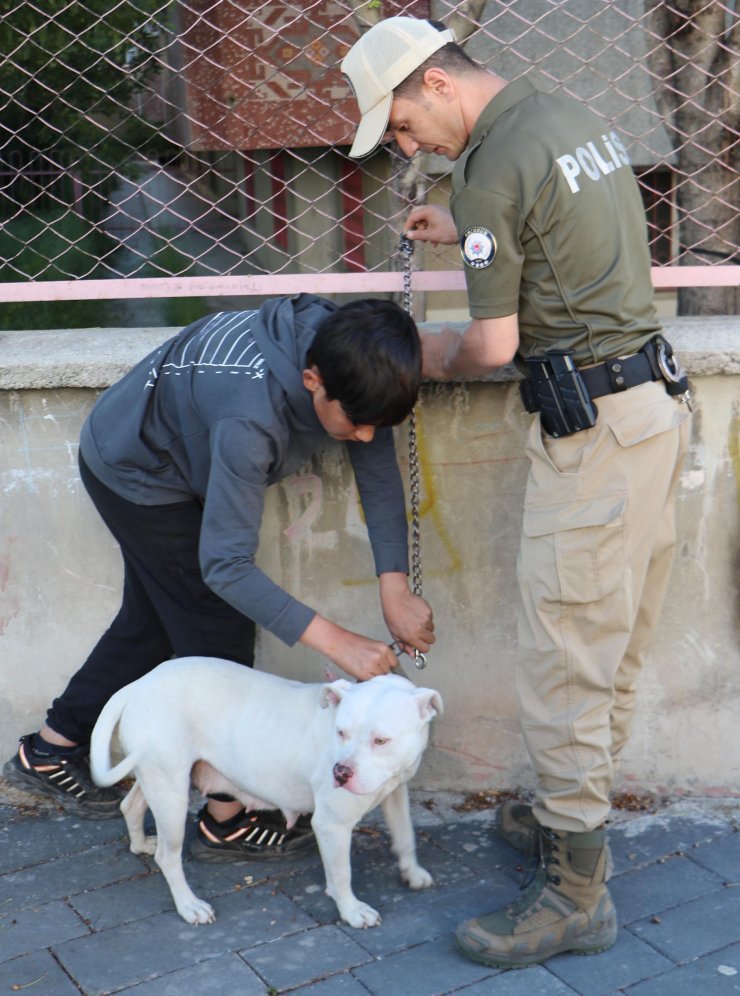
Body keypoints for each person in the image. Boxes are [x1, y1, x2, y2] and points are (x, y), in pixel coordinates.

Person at [342, 16, 692, 969]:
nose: (408, 150)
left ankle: (577, 892)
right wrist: (468, 228)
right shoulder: (564, 116)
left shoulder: (488, 168)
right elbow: (556, 219)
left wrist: (412, 359)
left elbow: (491, 348)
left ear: (436, 83)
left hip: (592, 437)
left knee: (563, 660)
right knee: (607, 645)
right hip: (655, 408)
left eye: (404, 126)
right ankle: (563, 822)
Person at [4, 293, 435, 860]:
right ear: (312, 379)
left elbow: (374, 460)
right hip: (138, 473)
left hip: (175, 452)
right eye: (353, 423)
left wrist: (393, 586)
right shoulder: (247, 416)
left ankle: (49, 751)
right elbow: (225, 567)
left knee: (156, 619)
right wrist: (340, 643)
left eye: (376, 425)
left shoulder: (351, 344)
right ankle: (224, 818)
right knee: (216, 625)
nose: (362, 438)